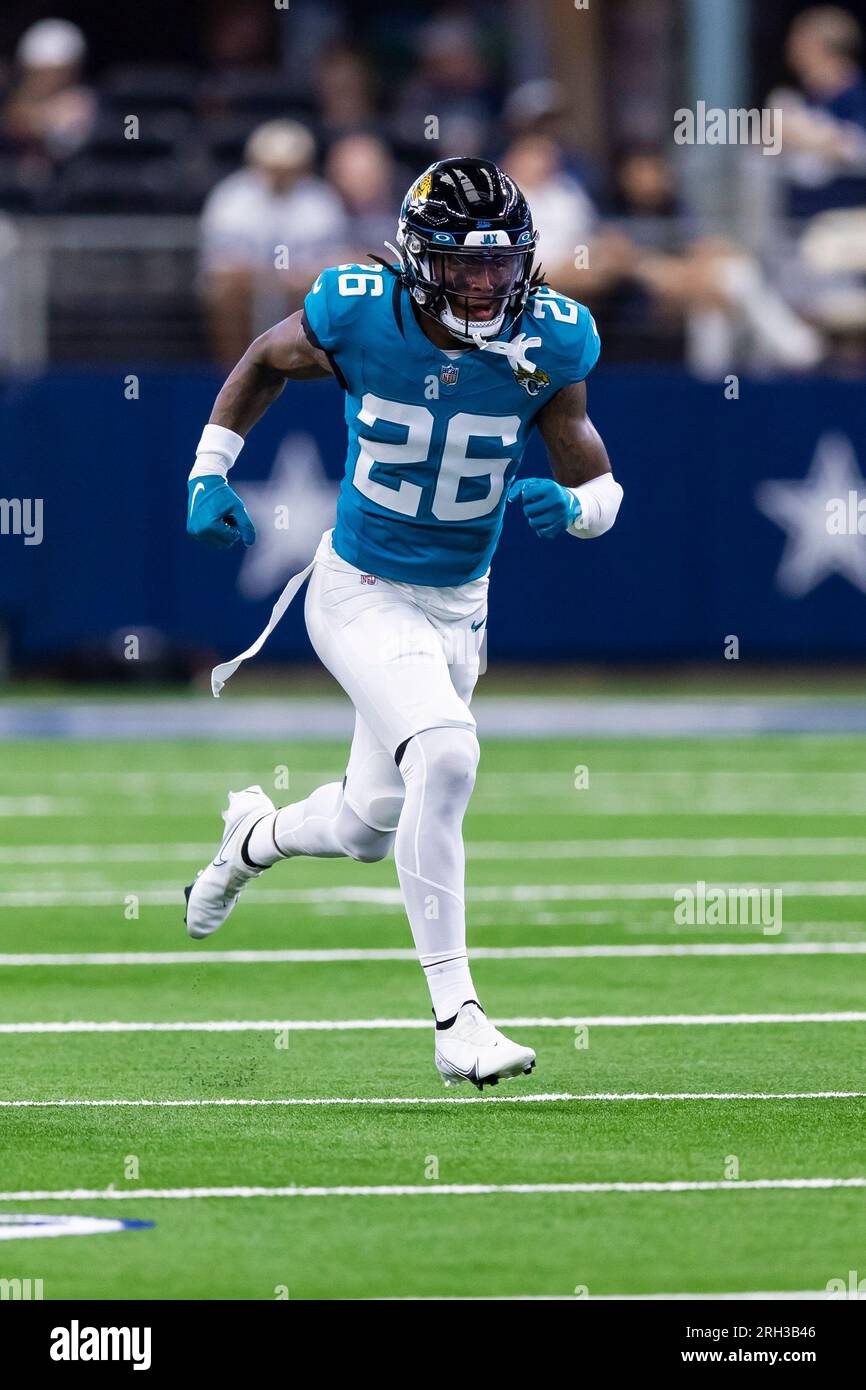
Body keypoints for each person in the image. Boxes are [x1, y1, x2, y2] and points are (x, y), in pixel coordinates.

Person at [183, 158, 623, 1089]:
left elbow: (599, 480)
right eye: (464, 264)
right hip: (360, 588)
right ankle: (457, 1020)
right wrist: (208, 467)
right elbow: (265, 356)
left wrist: (578, 513)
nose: (486, 282)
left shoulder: (553, 339)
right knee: (449, 755)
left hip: (462, 606)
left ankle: (249, 840)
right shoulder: (358, 309)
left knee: (365, 825)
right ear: (420, 259)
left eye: (502, 263)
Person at [199, 119, 347, 365]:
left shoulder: (321, 201)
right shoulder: (231, 198)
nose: (280, 175)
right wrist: (266, 278)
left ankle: (305, 370)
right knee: (224, 290)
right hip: (247, 288)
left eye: (288, 167)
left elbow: (334, 264)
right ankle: (233, 369)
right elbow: (219, 264)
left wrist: (292, 279)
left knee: (322, 294)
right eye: (273, 167)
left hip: (301, 288)